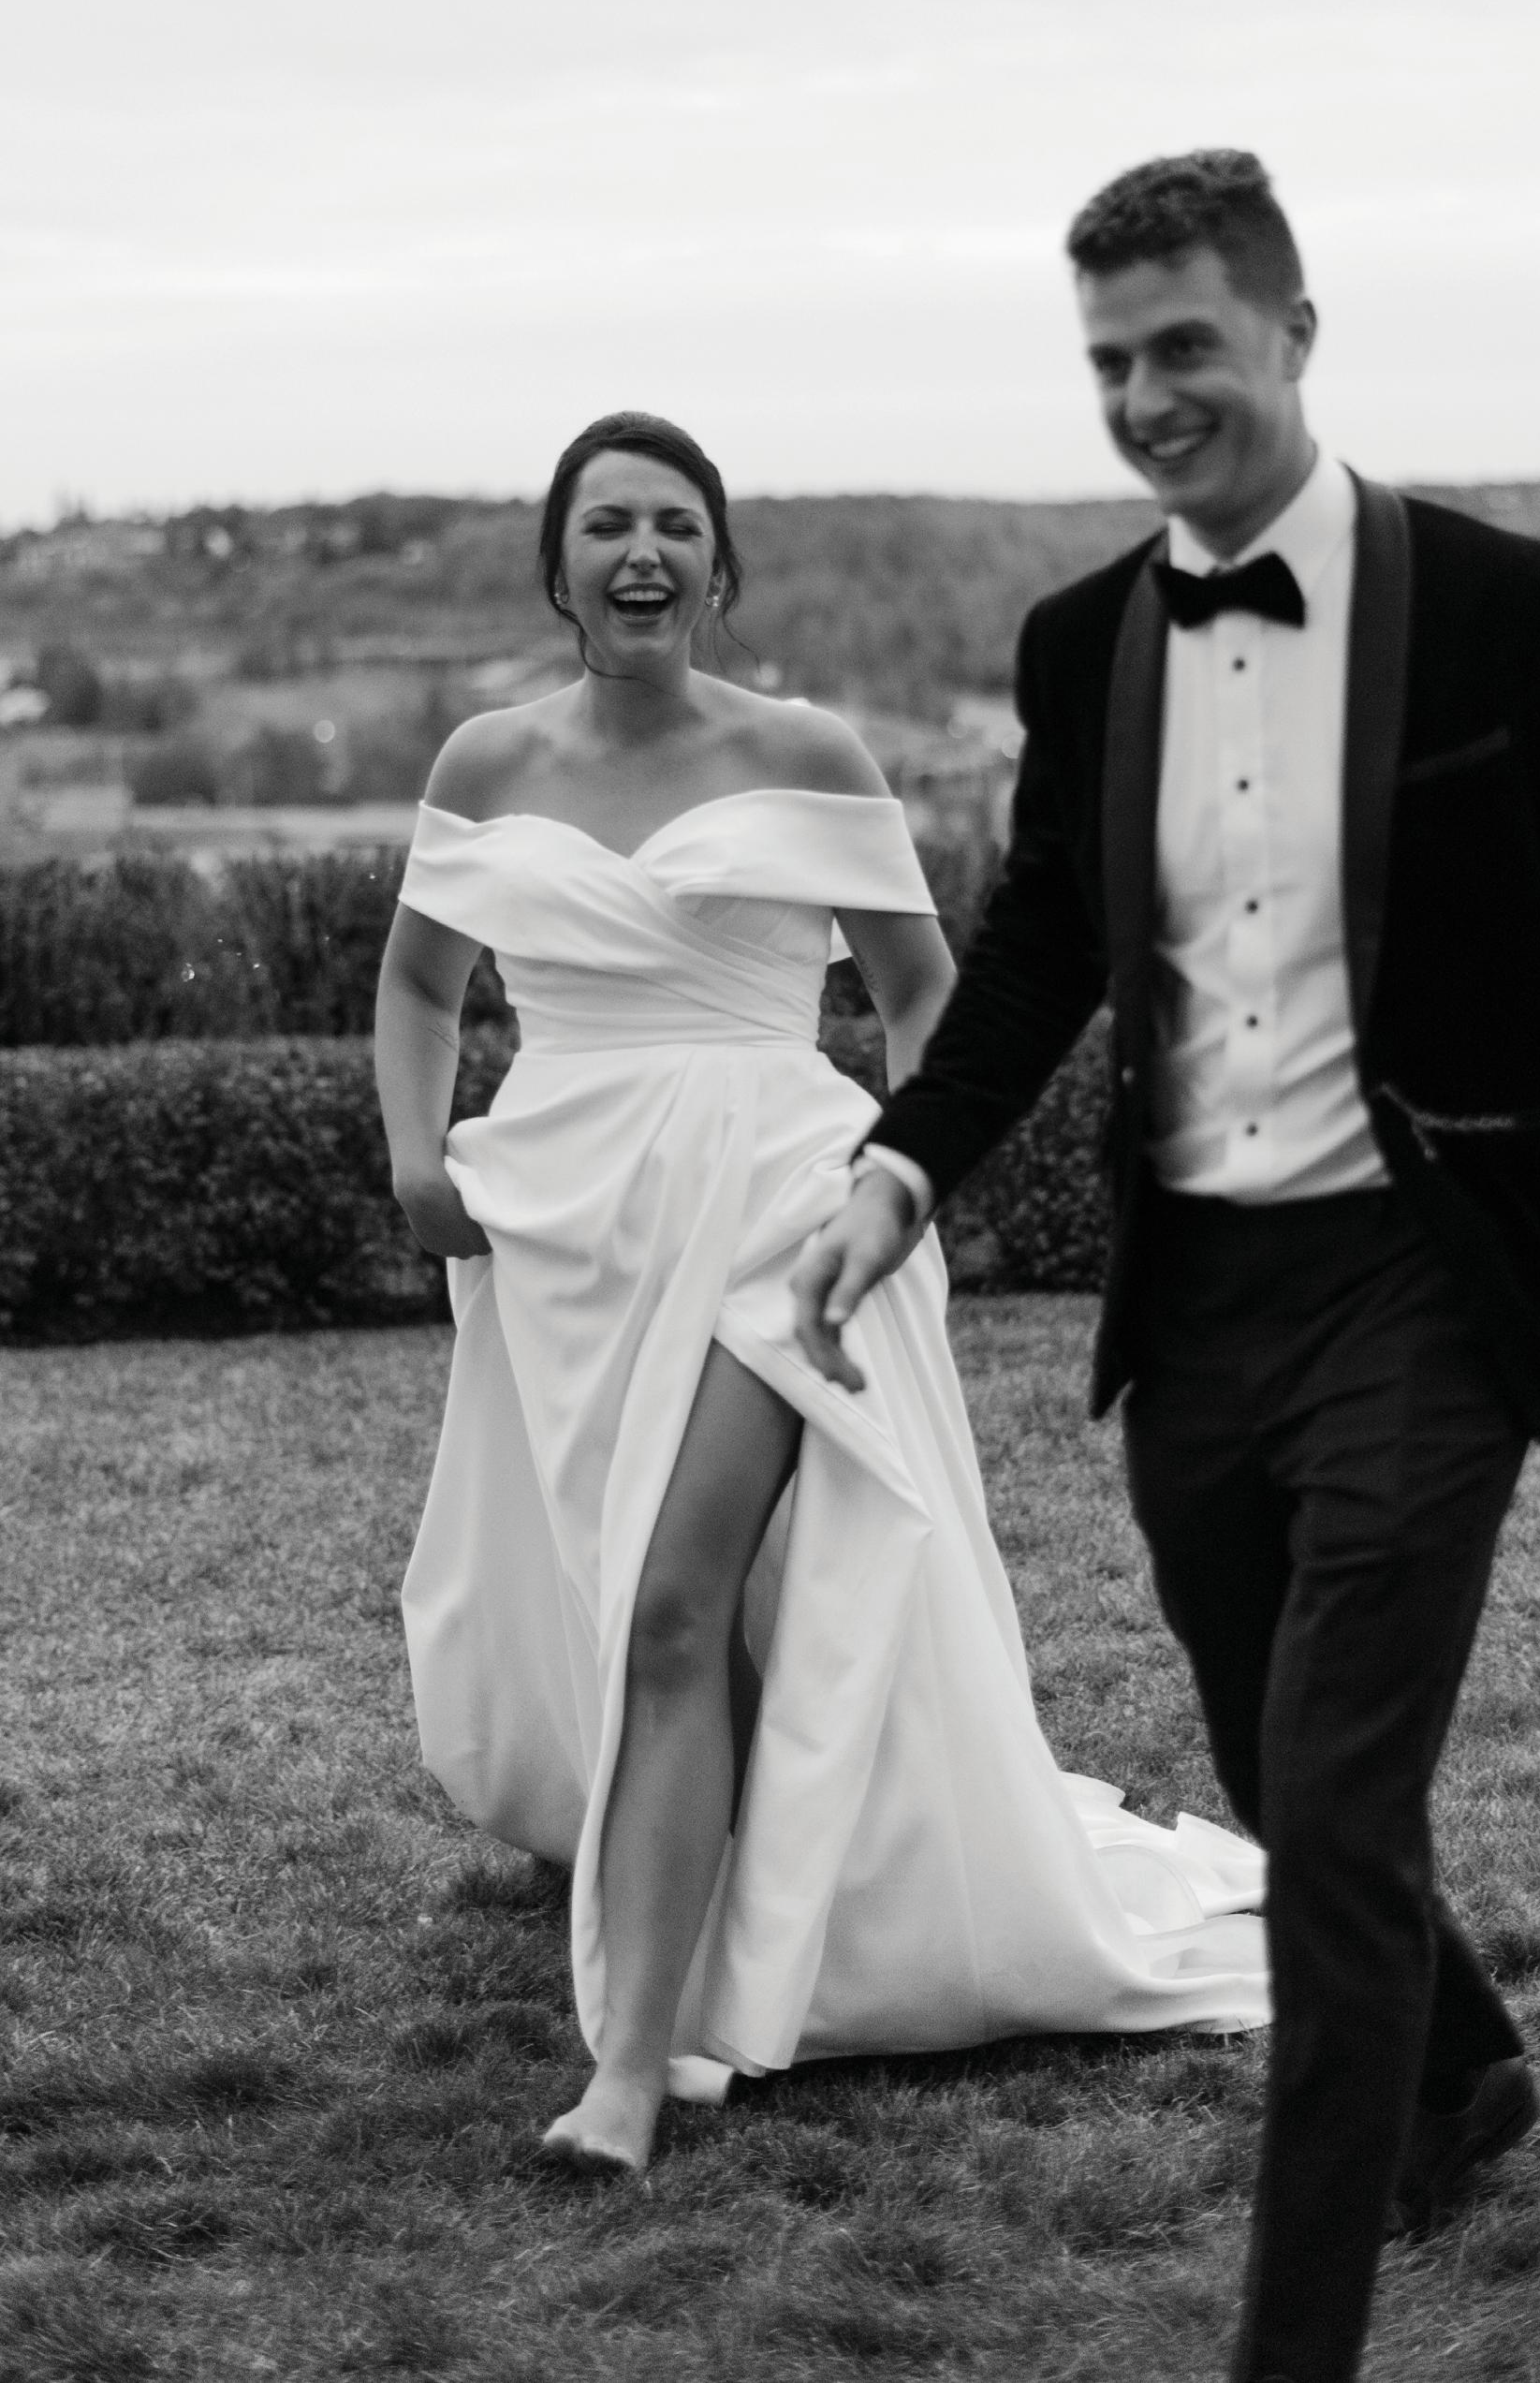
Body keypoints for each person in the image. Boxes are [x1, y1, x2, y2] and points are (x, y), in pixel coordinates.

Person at [793, 149, 1540, 2383]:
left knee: (1332, 1809)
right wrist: (898, 1168)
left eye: (1184, 346)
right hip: (1203, 1303)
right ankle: (1461, 2055)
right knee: (1275, 1760)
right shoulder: (1084, 645)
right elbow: (1046, 939)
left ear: (1293, 334)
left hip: (1430, 1274)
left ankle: (1295, 2341)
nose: (1147, 396)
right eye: (1108, 361)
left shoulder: (1525, 615)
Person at [374, 407, 1267, 2181]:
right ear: (557, 568)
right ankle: (736, 1864)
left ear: (720, 564)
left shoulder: (807, 751)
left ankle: (630, 2072)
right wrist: (414, 1157)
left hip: (783, 1204)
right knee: (646, 1606)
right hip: (569, 1226)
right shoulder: (485, 761)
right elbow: (417, 983)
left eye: (675, 524)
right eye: (607, 524)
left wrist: (898, 1181)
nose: (642, 551)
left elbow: (925, 997)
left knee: (675, 1604)